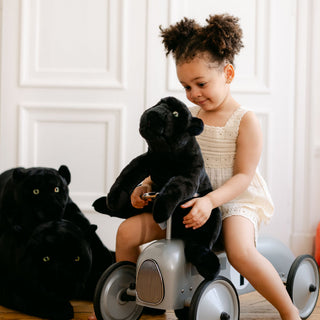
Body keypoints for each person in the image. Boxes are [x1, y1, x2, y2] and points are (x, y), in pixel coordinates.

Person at [115, 14, 300, 320]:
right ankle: (137, 300)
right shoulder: (185, 117)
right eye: (186, 86)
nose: (193, 93)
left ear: (227, 73)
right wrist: (146, 184)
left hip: (231, 201)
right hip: (189, 198)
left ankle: (288, 310)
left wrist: (211, 200)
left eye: (201, 83)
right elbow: (167, 161)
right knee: (126, 232)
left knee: (240, 251)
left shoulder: (245, 121)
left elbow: (243, 176)